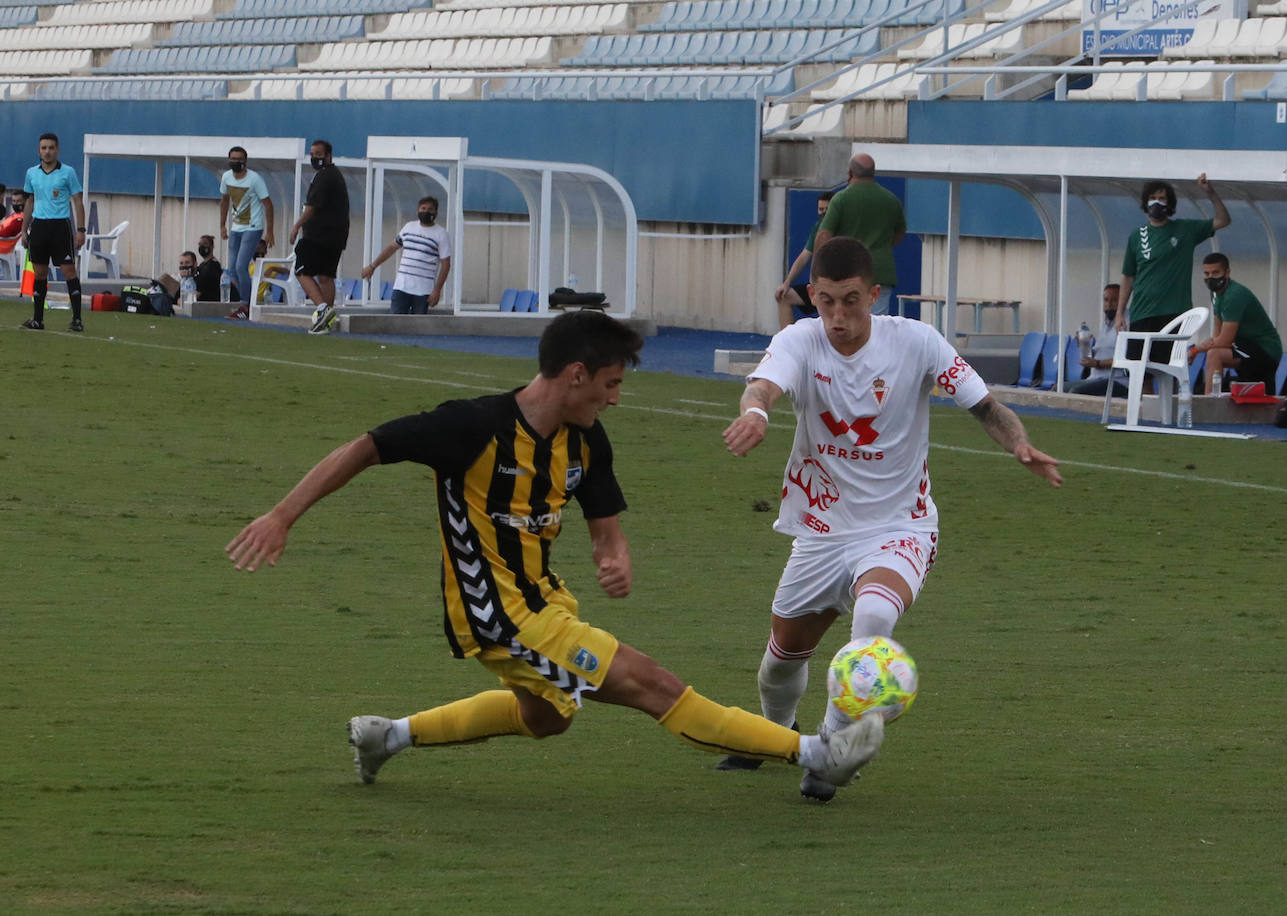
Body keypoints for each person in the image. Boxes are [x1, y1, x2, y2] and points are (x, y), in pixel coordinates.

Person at [224, 309, 885, 797]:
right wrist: (283, 515)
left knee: (546, 718)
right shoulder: (470, 426)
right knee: (651, 684)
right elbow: (364, 447)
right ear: (575, 375)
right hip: (495, 616)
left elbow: (605, 526)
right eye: (611, 383)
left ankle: (386, 735)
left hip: (546, 603)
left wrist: (614, 556)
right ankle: (815, 753)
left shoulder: (587, 441)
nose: (616, 397)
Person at [716, 237, 1062, 801]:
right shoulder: (799, 340)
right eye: (825, 301)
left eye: (851, 301)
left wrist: (1020, 446)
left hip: (901, 525)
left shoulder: (918, 343)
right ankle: (776, 734)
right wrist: (756, 411)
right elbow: (763, 385)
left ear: (874, 294)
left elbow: (986, 406)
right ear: (811, 295)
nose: (838, 317)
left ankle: (831, 749)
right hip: (824, 529)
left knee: (874, 614)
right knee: (779, 663)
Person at [1116, 174, 1230, 365]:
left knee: (1171, 368)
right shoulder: (1137, 236)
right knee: (1141, 371)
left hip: (1175, 313)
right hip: (1142, 313)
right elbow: (1128, 276)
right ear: (1145, 202)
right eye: (1152, 198)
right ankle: (1145, 398)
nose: (1156, 203)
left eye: (1161, 199)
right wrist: (1120, 312)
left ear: (1170, 204)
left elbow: (1223, 220)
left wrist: (1210, 192)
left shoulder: (1185, 229)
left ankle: (1172, 397)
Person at [814, 154, 906, 316]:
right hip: (881, 270)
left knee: (848, 320)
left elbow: (824, 235)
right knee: (877, 323)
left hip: (847, 271)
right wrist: (882, 245)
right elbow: (900, 233)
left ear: (850, 173)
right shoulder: (891, 199)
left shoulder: (841, 199)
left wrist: (818, 268)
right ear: (873, 173)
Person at [19, 132, 86, 332]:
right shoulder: (32, 173)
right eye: (43, 148)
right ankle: (37, 320)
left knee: (68, 271)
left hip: (60, 227)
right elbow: (30, 201)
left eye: (51, 148)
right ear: (39, 150)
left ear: (57, 150)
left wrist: (81, 230)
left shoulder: (67, 172)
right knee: (39, 274)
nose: (47, 152)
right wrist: (24, 229)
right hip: (39, 227)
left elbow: (77, 201)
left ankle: (77, 319)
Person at [1191, 253, 1283, 395]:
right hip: (1244, 346)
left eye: (1216, 272)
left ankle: (1209, 402)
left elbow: (1225, 341)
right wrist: (1209, 345)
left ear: (1227, 272)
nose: (1211, 278)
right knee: (1213, 352)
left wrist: (1195, 350)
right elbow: (1218, 330)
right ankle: (1211, 398)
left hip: (1265, 350)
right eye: (1207, 273)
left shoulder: (1234, 295)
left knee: (1215, 354)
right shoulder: (1215, 293)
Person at [289, 139, 349, 334]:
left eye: (319, 154)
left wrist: (297, 225)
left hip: (319, 234)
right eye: (312, 154)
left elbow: (312, 206)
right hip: (337, 235)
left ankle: (322, 308)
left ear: (328, 155)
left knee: (301, 270)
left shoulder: (324, 176)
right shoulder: (335, 175)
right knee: (325, 275)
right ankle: (326, 320)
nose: (315, 158)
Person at [360, 196, 451, 315]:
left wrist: (437, 290)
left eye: (430, 209)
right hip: (401, 286)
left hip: (423, 290)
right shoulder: (409, 227)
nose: (426, 212)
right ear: (418, 210)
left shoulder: (441, 234)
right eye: (423, 208)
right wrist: (372, 266)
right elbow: (392, 247)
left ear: (436, 212)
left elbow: (446, 264)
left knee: (418, 327)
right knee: (395, 323)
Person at [220, 146, 274, 306]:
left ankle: (247, 303)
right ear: (229, 160)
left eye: (239, 159)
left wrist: (270, 231)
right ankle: (248, 298)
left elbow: (268, 204)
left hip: (253, 227)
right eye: (233, 159)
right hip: (236, 227)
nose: (236, 162)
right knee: (232, 269)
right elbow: (224, 201)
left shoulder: (255, 179)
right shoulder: (226, 177)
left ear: (245, 161)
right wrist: (222, 225)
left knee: (241, 266)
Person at [774, 190, 836, 330]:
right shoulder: (817, 228)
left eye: (828, 209)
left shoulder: (841, 228)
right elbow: (804, 257)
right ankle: (787, 343)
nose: (824, 213)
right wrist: (787, 283)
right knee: (783, 296)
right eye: (821, 209)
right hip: (817, 286)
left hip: (835, 289)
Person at [1066, 283, 1129, 397]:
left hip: (1117, 380)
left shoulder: (1127, 322)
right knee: (1057, 388)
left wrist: (1098, 363)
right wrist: (1085, 346)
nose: (1109, 304)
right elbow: (1101, 352)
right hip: (1095, 378)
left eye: (1114, 300)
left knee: (1075, 392)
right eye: (1106, 300)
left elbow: (1126, 358)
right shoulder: (1106, 323)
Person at [194, 234, 232, 303]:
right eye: (200, 244)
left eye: (205, 243)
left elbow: (203, 285)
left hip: (208, 302)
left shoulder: (214, 265)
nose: (202, 246)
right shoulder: (202, 265)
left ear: (212, 246)